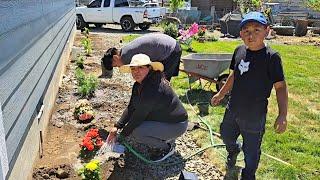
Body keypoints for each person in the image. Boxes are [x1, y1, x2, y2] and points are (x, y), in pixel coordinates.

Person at [211, 12, 288, 180]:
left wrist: (282, 114)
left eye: (256, 30)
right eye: (246, 30)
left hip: (254, 115)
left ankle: (248, 174)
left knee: (251, 151)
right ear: (240, 34)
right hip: (233, 108)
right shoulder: (239, 51)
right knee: (226, 134)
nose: (250, 35)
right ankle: (233, 150)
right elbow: (234, 75)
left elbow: (280, 87)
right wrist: (221, 93)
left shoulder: (272, 58)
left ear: (267, 31)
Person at [107, 53, 188, 161]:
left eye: (141, 67)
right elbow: (131, 107)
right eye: (133, 69)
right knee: (135, 128)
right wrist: (117, 126)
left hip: (177, 124)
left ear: (149, 68)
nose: (136, 72)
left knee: (137, 132)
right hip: (165, 118)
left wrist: (121, 136)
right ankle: (161, 136)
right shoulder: (139, 85)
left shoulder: (155, 87)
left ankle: (166, 147)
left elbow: (139, 116)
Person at [101, 33, 182, 81]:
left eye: (116, 65)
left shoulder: (126, 57)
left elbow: (143, 74)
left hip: (170, 50)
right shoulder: (124, 50)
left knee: (163, 82)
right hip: (171, 44)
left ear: (115, 58)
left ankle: (165, 105)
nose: (119, 67)